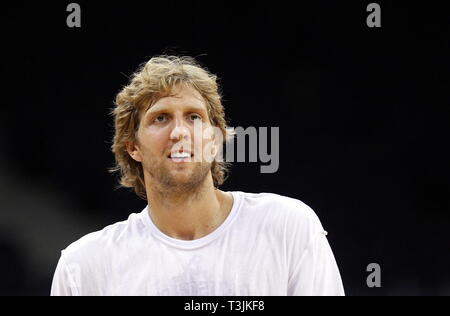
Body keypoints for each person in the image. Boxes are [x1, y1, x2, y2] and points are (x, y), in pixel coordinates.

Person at [50, 55, 345, 296]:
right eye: (160, 118)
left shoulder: (287, 227)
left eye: (194, 117)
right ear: (133, 147)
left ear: (214, 139)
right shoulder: (84, 267)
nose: (179, 131)